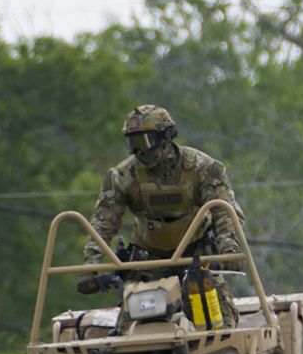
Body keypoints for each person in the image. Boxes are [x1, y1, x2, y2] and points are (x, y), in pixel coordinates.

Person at [80, 105, 246, 323]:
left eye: (143, 142)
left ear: (165, 137)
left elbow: (224, 212)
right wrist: (91, 265)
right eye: (132, 144)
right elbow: (103, 223)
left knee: (219, 326)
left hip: (198, 260)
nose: (138, 151)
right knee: (130, 329)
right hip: (148, 263)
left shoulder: (202, 168)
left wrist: (228, 251)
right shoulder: (122, 176)